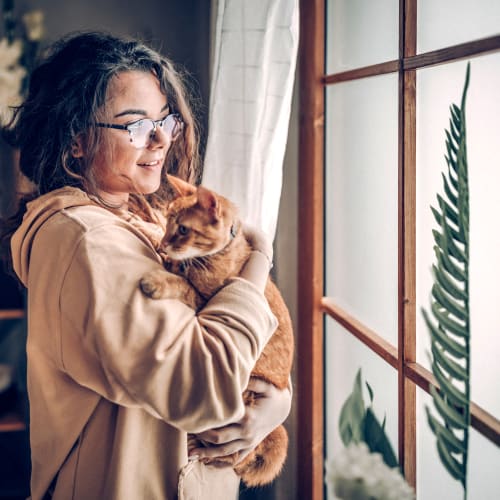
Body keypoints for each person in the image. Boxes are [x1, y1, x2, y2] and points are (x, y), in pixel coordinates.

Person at [0, 31, 291, 500]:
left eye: (165, 120)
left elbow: (237, 339)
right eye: (136, 125)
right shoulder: (88, 239)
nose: (160, 139)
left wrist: (274, 402)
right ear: (76, 141)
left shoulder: (144, 213)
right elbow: (204, 388)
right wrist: (260, 259)